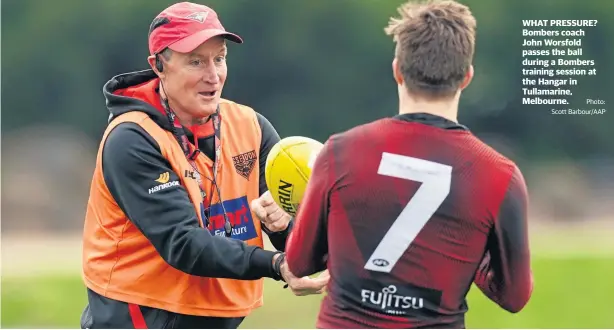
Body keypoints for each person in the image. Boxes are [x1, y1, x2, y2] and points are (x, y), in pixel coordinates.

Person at [285, 0, 533, 328]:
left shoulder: (340, 151)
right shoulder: (500, 176)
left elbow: (299, 262)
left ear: (397, 69)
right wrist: (468, 255)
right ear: (467, 77)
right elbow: (514, 297)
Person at [80, 2, 327, 329]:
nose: (213, 75)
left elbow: (302, 242)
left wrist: (286, 228)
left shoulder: (250, 126)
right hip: (141, 316)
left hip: (216, 316)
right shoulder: (132, 139)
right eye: (195, 61)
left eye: (219, 59)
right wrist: (276, 264)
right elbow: (183, 244)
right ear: (159, 66)